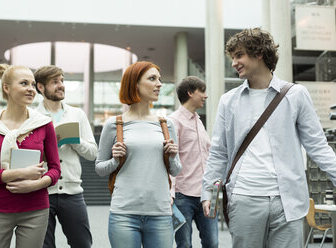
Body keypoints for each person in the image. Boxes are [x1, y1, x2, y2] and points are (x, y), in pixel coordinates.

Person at [201, 27, 336, 248]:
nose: (234, 63)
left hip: (288, 200)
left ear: (259, 53)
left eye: (239, 55)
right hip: (244, 196)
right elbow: (219, 151)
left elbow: (318, 146)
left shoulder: (296, 94)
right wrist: (208, 190)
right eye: (232, 57)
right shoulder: (229, 100)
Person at [95, 61, 182, 248]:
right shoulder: (114, 124)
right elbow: (100, 168)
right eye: (152, 79)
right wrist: (115, 160)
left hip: (160, 213)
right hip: (124, 214)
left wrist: (173, 155)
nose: (159, 84)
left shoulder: (166, 124)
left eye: (159, 79)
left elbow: (175, 171)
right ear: (134, 84)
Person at [0, 64, 61, 248]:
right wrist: (19, 174)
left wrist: (36, 184)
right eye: (24, 83)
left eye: (32, 84)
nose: (31, 89)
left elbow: (55, 169)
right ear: (6, 88)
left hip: (36, 208)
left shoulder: (44, 124)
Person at [34, 65, 98, 248]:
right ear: (40, 87)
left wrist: (74, 140)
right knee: (44, 246)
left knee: (82, 243)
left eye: (62, 81)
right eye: (54, 82)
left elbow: (93, 153)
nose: (61, 85)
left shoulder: (77, 114)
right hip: (41, 191)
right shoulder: (32, 116)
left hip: (72, 192)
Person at [169, 76, 218, 248]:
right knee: (184, 245)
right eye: (202, 91)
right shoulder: (174, 121)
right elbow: (170, 159)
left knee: (212, 243)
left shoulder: (198, 120)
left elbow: (209, 153)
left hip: (206, 194)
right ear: (190, 93)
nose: (206, 96)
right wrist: (171, 193)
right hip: (183, 196)